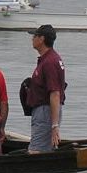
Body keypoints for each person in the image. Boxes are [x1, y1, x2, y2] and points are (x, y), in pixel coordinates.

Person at [25, 24, 67, 153]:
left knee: (36, 150)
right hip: (45, 110)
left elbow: (55, 93)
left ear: (41, 39)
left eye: (34, 36)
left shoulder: (50, 62)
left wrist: (54, 126)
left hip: (45, 111)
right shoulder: (48, 59)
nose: (32, 39)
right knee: (45, 148)